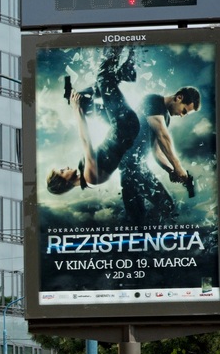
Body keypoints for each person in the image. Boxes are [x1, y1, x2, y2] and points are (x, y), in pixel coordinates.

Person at [47, 47, 140, 196]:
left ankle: (124, 74)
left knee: (80, 101)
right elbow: (86, 141)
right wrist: (75, 110)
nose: (65, 167)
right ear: (64, 182)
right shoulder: (90, 177)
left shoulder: (86, 177)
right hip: (125, 125)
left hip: (118, 126)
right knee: (103, 78)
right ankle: (115, 42)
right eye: (62, 171)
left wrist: (77, 106)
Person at [118, 84, 200, 224]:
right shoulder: (153, 101)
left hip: (139, 168)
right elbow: (163, 136)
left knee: (156, 211)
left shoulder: (165, 119)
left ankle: (149, 238)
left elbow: (157, 151)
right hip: (130, 166)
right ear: (178, 98)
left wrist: (171, 170)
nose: (181, 115)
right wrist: (178, 166)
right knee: (148, 213)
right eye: (184, 111)